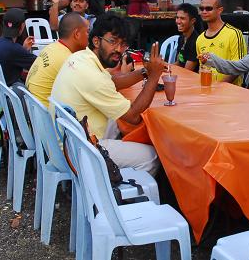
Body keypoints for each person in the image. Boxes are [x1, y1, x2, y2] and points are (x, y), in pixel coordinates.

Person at [51, 15, 166, 175]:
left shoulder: (81, 57)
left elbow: (112, 82)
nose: (119, 49)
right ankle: (115, 195)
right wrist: (154, 76)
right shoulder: (92, 76)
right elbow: (133, 116)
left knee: (116, 118)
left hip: (66, 140)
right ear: (97, 41)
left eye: (123, 44)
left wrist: (145, 72)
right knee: (152, 156)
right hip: (79, 152)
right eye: (113, 42)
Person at [26, 13, 90, 105]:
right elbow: (92, 88)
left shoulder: (51, 47)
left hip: (33, 108)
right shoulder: (69, 60)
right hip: (46, 116)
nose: (89, 36)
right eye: (87, 32)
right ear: (77, 34)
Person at [195, 0, 248, 85]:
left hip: (230, 92)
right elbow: (203, 67)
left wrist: (218, 86)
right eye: (201, 8)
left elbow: (239, 67)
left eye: (208, 8)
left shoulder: (234, 34)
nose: (204, 11)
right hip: (208, 90)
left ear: (220, 10)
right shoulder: (200, 39)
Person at [0, 8, 36, 86]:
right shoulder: (15, 49)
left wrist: (23, 49)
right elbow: (39, 64)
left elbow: (12, 56)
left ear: (4, 24)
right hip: (10, 92)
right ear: (22, 26)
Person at [174, 3, 201, 71]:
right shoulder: (181, 38)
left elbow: (187, 71)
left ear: (192, 21)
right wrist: (165, 67)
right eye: (177, 18)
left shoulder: (196, 41)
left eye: (182, 18)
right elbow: (179, 62)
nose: (178, 21)